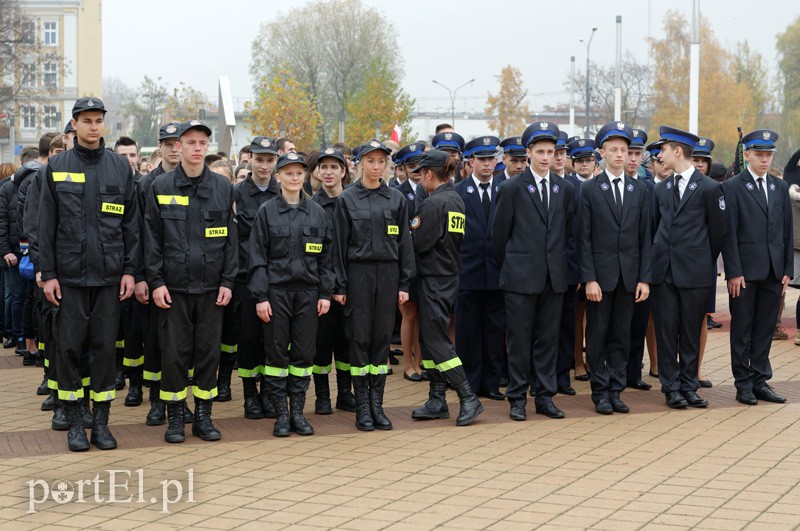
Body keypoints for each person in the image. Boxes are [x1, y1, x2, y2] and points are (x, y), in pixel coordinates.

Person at [39, 97, 140, 452]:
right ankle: (76, 423)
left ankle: (101, 423)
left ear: (104, 125)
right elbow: (45, 224)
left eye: (98, 120)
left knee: (103, 350)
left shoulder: (119, 167)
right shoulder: (56, 167)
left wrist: (130, 271)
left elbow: (131, 225)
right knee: (69, 349)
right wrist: (47, 273)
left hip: (110, 278)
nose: (94, 126)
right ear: (75, 124)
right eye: (87, 120)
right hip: (68, 278)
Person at [144, 120, 237, 443]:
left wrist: (228, 281)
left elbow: (231, 240)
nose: (197, 148)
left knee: (208, 355)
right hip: (174, 289)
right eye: (191, 142)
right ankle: (175, 419)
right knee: (173, 355)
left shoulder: (224, 188)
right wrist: (155, 282)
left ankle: (203, 417)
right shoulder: (161, 187)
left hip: (212, 289)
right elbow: (152, 240)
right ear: (178, 147)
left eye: (202, 143)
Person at [493, 122, 575, 421]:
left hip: (553, 277)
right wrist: (516, 264)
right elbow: (499, 236)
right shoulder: (511, 188)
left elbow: (566, 233)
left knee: (548, 339)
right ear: (528, 153)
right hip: (520, 277)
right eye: (539, 151)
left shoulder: (563, 188)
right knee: (519, 340)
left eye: (550, 152)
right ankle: (517, 397)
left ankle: (544, 396)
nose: (545, 157)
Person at [249, 152, 334, 437]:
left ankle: (297, 413)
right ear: (279, 177)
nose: (294, 178)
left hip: (308, 294)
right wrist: (261, 297)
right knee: (275, 355)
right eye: (289, 173)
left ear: (307, 177)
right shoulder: (267, 212)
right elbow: (257, 257)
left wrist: (325, 293)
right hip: (276, 293)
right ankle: (281, 416)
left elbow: (326, 258)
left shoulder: (317, 212)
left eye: (299, 173)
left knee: (304, 354)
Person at [332, 140, 415, 431]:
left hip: (389, 274)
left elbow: (405, 244)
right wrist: (339, 286)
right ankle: (362, 407)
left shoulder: (396, 199)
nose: (376, 166)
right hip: (358, 275)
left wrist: (404, 282)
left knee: (381, 340)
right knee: (359, 339)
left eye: (381, 161)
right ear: (358, 164)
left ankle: (378, 406)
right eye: (370, 161)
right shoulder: (346, 200)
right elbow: (339, 247)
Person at [651, 126, 726, 410]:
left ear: (677, 151)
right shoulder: (661, 189)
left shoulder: (709, 188)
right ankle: (671, 388)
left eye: (663, 149)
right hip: (664, 273)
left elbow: (718, 233)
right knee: (667, 331)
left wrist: (701, 260)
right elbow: (654, 228)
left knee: (691, 331)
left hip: (694, 273)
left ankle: (689, 386)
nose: (660, 155)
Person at [580, 122, 652, 415]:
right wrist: (589, 278)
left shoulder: (640, 189)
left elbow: (646, 237)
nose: (621, 155)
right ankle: (600, 391)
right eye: (614, 149)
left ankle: (616, 388)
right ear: (602, 153)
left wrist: (645, 278)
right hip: (601, 278)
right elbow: (583, 237)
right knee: (597, 334)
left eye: (625, 149)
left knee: (622, 335)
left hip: (629, 277)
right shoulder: (589, 190)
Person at [409, 150, 483, 426]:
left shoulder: (433, 204)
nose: (420, 180)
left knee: (436, 341)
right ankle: (436, 398)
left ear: (429, 174)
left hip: (434, 279)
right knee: (431, 340)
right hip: (448, 276)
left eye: (421, 174)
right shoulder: (456, 200)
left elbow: (418, 243)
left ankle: (467, 396)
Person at [722, 129, 792, 406]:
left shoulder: (779, 187)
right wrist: (734, 271)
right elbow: (729, 234)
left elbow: (786, 230)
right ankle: (743, 383)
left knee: (764, 328)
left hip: (774, 270)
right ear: (747, 154)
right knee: (742, 328)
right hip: (745, 272)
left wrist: (787, 267)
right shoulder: (733, 186)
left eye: (768, 155)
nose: (764, 160)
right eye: (759, 155)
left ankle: (760, 379)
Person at [134, 122, 188, 427]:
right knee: (155, 342)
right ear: (160, 147)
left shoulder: (189, 180)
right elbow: (143, 234)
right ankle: (156, 400)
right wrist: (142, 276)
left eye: (176, 142)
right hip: (157, 277)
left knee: (183, 345)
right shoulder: (148, 183)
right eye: (167, 143)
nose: (172, 147)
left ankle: (180, 401)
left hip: (185, 278)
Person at [454, 137, 506, 403]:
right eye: (481, 159)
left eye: (491, 159)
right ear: (470, 161)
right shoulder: (459, 192)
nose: (487, 164)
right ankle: (470, 383)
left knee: (495, 331)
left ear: (497, 161)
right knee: (468, 333)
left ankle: (492, 383)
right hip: (468, 273)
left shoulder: (505, 189)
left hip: (497, 274)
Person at [232, 136, 279, 420]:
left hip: (276, 277)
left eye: (269, 160)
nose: (263, 165)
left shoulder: (283, 192)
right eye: (259, 159)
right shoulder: (236, 194)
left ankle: (270, 394)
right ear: (249, 159)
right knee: (248, 338)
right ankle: (250, 396)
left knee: (273, 340)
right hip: (245, 277)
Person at [311, 148, 356, 415]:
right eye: (323, 167)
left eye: (333, 167)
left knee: (346, 342)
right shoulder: (311, 205)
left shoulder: (353, 201)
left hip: (350, 285)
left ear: (343, 171)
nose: (328, 172)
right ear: (317, 171)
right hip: (321, 288)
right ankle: (322, 397)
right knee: (321, 344)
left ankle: (345, 394)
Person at [624, 129, 657, 392]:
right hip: (614, 268)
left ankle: (634, 372)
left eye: (637, 154)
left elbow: (650, 232)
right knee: (615, 327)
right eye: (629, 153)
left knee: (637, 323)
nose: (633, 159)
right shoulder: (601, 185)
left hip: (639, 266)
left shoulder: (648, 188)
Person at [394, 142, 426, 381]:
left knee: (424, 315)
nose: (416, 169)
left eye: (419, 164)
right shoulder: (398, 194)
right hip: (405, 261)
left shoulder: (431, 188)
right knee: (410, 314)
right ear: (403, 168)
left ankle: (420, 361)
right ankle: (408, 364)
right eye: (411, 165)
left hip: (427, 261)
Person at [566, 138, 596, 383]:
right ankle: (577, 361)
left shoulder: (600, 185)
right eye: (579, 161)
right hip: (576, 262)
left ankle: (595, 359)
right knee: (576, 317)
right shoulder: (567, 187)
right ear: (572, 163)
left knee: (596, 318)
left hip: (599, 263)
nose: (584, 165)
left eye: (588, 160)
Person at [691, 138, 720, 389]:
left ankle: (696, 370)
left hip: (704, 264)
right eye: (696, 159)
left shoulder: (713, 189)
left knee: (700, 318)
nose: (700, 165)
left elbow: (719, 231)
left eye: (704, 161)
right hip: (679, 264)